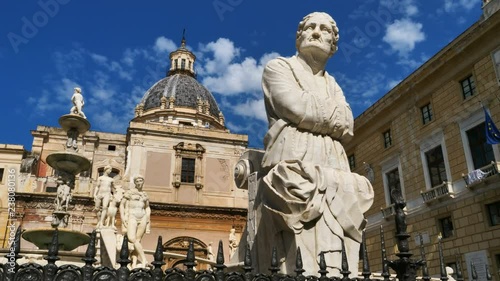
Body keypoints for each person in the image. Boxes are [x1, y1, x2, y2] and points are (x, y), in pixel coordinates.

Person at [258, 12, 374, 276]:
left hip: (334, 163)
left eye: (325, 29)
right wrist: (330, 117)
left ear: (333, 44)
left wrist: (312, 112)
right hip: (293, 157)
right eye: (310, 27)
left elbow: (349, 124)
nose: (316, 32)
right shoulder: (278, 67)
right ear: (299, 36)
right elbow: (292, 106)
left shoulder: (333, 84)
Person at [120, 175, 151, 268]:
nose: (139, 182)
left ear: (143, 182)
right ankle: (144, 259)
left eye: (140, 180)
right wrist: (122, 217)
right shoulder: (130, 192)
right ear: (135, 183)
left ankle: (133, 263)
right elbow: (122, 205)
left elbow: (147, 207)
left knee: (138, 240)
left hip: (143, 217)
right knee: (131, 238)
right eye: (137, 181)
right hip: (132, 215)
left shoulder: (145, 194)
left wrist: (148, 219)